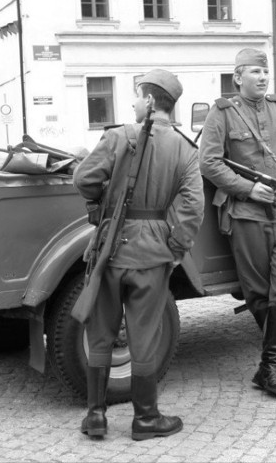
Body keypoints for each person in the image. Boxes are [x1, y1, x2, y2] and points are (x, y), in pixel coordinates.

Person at [73, 69, 205, 441]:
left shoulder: (117, 137)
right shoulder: (185, 148)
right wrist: (176, 246)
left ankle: (96, 415)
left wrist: (103, 203)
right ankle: (145, 419)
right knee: (144, 336)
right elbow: (194, 208)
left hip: (110, 248)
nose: (132, 102)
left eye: (135, 96)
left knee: (100, 332)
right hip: (152, 254)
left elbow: (83, 179)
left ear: (149, 101)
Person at [199, 48, 276, 399]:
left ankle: (269, 366)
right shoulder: (222, 113)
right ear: (237, 78)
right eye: (254, 71)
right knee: (260, 295)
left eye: (265, 71)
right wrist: (249, 189)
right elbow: (209, 163)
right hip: (245, 215)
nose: (263, 77)